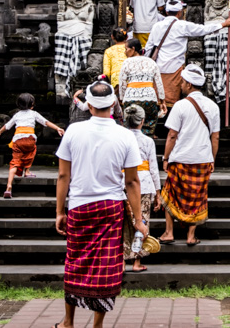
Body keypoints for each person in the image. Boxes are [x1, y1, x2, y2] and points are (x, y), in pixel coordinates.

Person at [54, 79, 148, 328]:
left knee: (75, 261)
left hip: (79, 206)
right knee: (106, 265)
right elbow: (132, 182)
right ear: (114, 103)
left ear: (88, 105)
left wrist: (59, 211)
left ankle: (68, 322)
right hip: (110, 207)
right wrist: (139, 220)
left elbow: (64, 175)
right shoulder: (125, 135)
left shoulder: (74, 131)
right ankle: (97, 325)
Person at [157, 64, 219, 246]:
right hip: (202, 159)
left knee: (170, 193)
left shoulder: (181, 105)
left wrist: (165, 158)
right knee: (197, 197)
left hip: (180, 158)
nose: (181, 84)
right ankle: (191, 236)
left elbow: (172, 135)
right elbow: (215, 137)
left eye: (183, 82)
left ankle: (169, 232)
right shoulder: (213, 106)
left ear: (190, 85)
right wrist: (212, 159)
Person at [144, 0, 230, 106]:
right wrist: (223, 24)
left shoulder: (156, 26)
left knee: (157, 98)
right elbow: (203, 29)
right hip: (175, 67)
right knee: (171, 99)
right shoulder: (182, 25)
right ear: (180, 12)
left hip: (158, 67)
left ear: (167, 12)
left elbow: (149, 48)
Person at [0, 93, 66, 199]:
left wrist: (0, 131)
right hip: (29, 139)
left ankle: (8, 186)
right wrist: (57, 128)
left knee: (14, 162)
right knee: (30, 152)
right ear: (32, 104)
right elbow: (45, 122)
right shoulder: (34, 114)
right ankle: (27, 171)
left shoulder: (17, 115)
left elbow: (7, 126)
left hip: (17, 140)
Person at [122, 105, 161, 272]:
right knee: (142, 220)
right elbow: (153, 168)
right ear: (142, 121)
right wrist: (158, 192)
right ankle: (136, 261)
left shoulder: (120, 139)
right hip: (144, 183)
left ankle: (121, 261)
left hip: (122, 182)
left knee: (123, 223)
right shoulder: (147, 141)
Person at [118, 38, 166, 137]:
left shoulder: (127, 62)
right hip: (149, 99)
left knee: (130, 123)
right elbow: (159, 83)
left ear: (133, 48)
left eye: (126, 49)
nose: (125, 52)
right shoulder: (151, 62)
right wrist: (162, 101)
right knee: (150, 121)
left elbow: (122, 83)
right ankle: (148, 137)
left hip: (131, 98)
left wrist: (122, 99)